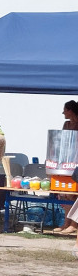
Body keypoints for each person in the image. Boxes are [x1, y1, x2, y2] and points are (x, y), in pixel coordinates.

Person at [51, 100, 78, 237]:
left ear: (71, 110)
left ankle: (74, 224)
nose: (63, 113)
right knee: (65, 192)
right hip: (67, 161)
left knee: (75, 193)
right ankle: (66, 222)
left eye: (65, 110)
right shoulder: (66, 124)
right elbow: (62, 141)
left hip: (77, 161)